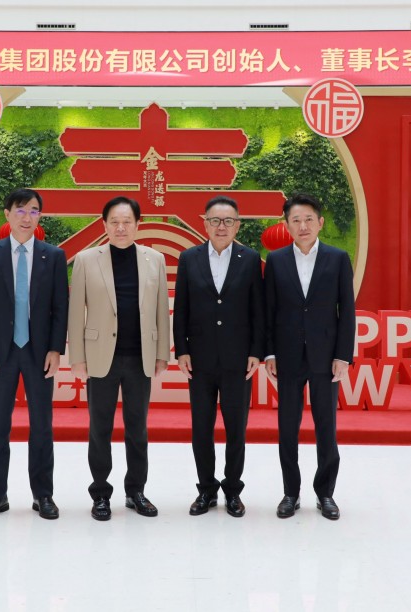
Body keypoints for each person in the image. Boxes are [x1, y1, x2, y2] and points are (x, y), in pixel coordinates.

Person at [68, 195, 170, 521]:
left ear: (138, 224)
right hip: (101, 357)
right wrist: (77, 357)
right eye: (114, 222)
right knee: (100, 428)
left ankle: (135, 491)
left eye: (127, 222)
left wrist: (162, 353)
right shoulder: (86, 260)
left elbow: (161, 310)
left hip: (140, 357)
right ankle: (100, 493)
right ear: (104, 225)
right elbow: (76, 311)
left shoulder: (155, 259)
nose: (121, 228)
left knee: (137, 429)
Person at [0, 188, 69, 521]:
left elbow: (60, 307)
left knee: (42, 427)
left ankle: (43, 495)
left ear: (40, 216)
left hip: (40, 353)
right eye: (21, 210)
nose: (27, 218)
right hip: (1, 353)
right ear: (7, 214)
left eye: (34, 211)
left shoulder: (53, 256)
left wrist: (56, 348)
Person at [263, 193, 356, 521]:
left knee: (326, 426)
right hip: (287, 356)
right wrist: (270, 352)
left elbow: (347, 311)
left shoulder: (338, 258)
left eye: (308, 219)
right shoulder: (276, 261)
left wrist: (343, 355)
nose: (302, 226)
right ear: (287, 225)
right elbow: (269, 311)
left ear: (320, 222)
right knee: (287, 427)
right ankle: (291, 492)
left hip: (325, 357)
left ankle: (325, 493)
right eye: (295, 220)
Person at [173, 195, 264, 517]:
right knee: (202, 428)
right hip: (199, 360)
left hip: (238, 360)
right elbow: (181, 307)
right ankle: (206, 490)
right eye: (215, 220)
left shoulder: (250, 259)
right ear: (205, 223)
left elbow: (258, 310)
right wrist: (182, 349)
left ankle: (233, 491)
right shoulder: (189, 258)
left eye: (228, 221)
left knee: (236, 428)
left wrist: (256, 351)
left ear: (237, 225)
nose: (221, 226)